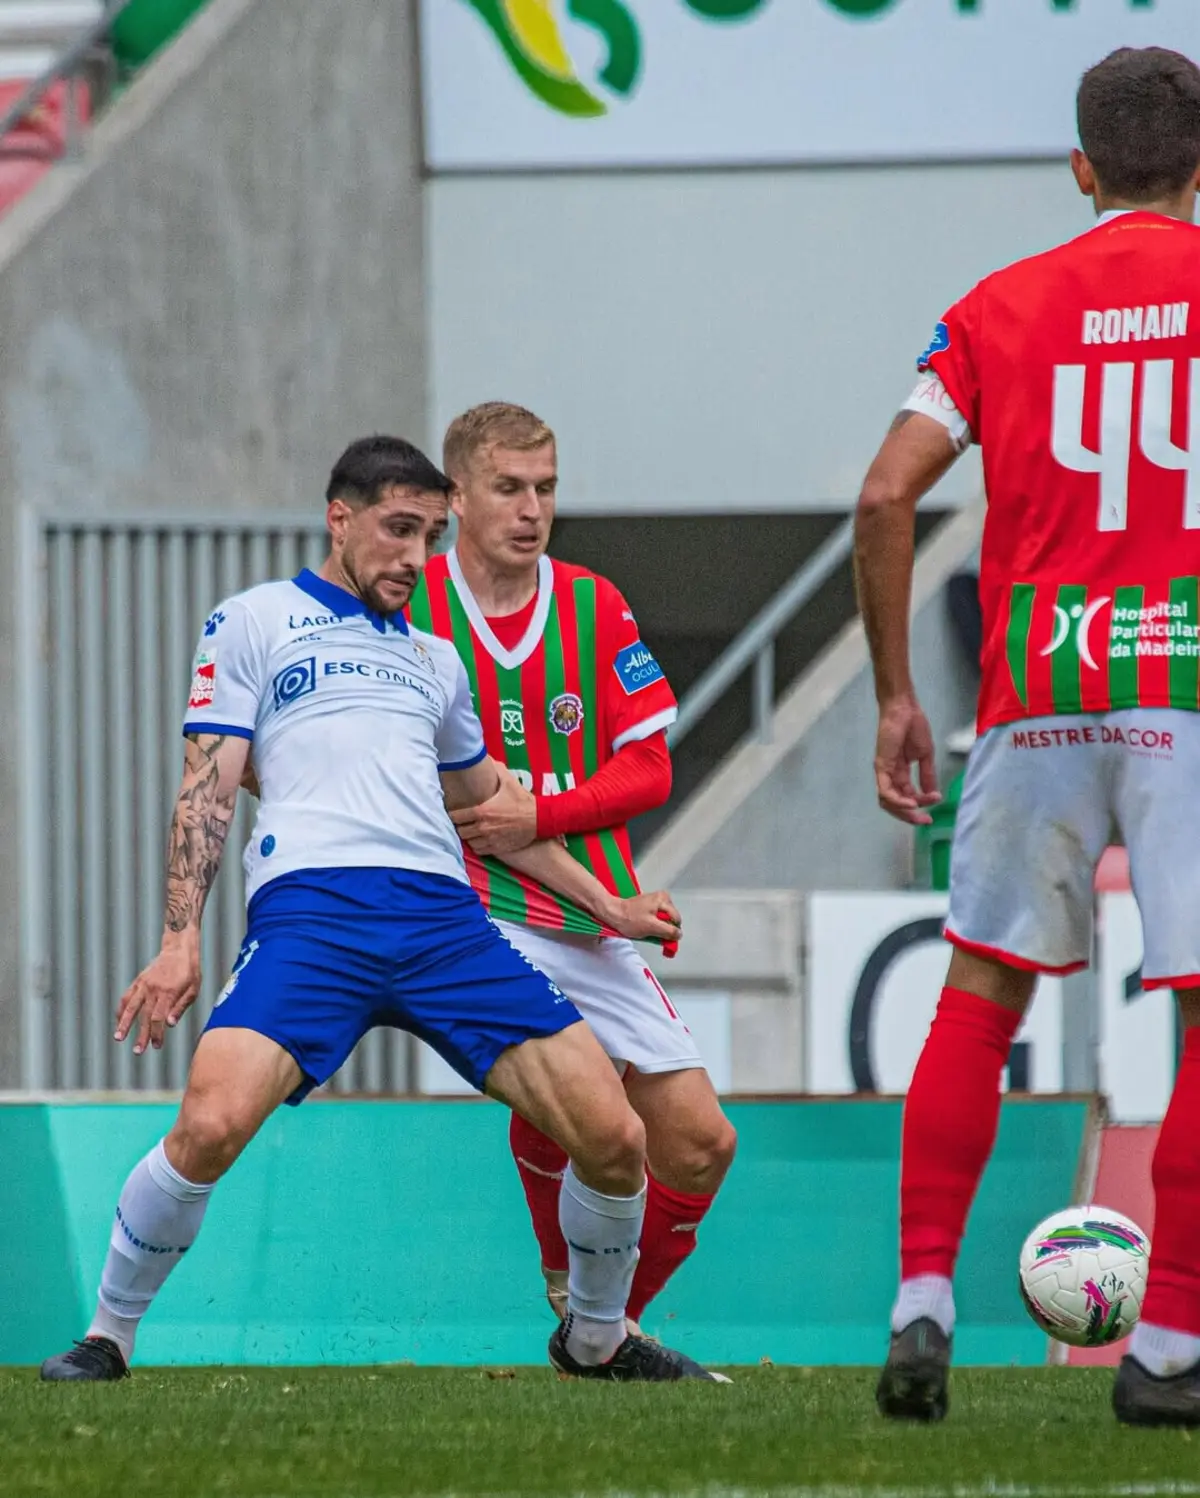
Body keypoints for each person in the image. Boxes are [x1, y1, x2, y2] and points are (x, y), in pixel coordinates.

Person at [40, 435, 720, 1384]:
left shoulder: (437, 665)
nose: (414, 556)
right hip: (314, 919)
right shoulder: (253, 620)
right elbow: (208, 789)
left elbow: (495, 815)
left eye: (429, 535)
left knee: (616, 1139)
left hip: (446, 924)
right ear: (340, 518)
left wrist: (610, 905)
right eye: (399, 530)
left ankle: (596, 1337)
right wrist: (176, 940)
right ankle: (107, 1335)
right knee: (207, 1126)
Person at [854, 47, 1200, 1427]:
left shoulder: (998, 306)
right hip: (1186, 688)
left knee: (980, 994)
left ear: (1079, 167)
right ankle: (1168, 1342)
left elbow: (886, 497)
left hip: (1037, 690)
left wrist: (895, 692)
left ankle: (923, 1300)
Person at [407, 402, 737, 1332]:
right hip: (466, 909)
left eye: (545, 488)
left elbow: (650, 766)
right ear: (457, 497)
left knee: (703, 1144)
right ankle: (573, 1287)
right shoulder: (412, 609)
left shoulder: (594, 604)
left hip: (585, 909)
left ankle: (600, 1325)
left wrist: (537, 815)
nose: (531, 508)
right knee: (588, 1101)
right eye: (509, 488)